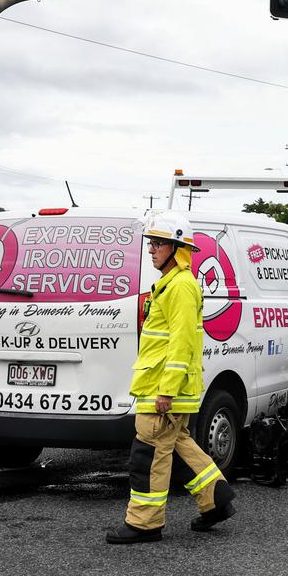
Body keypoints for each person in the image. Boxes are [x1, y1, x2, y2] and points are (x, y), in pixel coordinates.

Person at [107, 212, 235, 544]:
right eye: (151, 243)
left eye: (159, 243)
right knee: (178, 443)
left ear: (178, 248)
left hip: (164, 390)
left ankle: (144, 523)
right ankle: (215, 496)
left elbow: (181, 343)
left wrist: (166, 391)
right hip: (168, 388)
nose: (151, 249)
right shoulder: (174, 284)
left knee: (148, 455)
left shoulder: (179, 287)